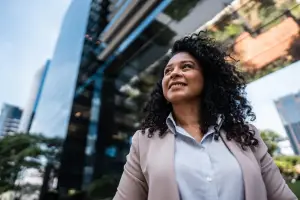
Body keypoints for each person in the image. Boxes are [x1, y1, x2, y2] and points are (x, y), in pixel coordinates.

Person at [113, 31, 297, 200]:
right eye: (168, 71)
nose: (174, 73)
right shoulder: (144, 142)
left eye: (186, 67)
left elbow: (281, 196)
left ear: (207, 79)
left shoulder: (246, 134)